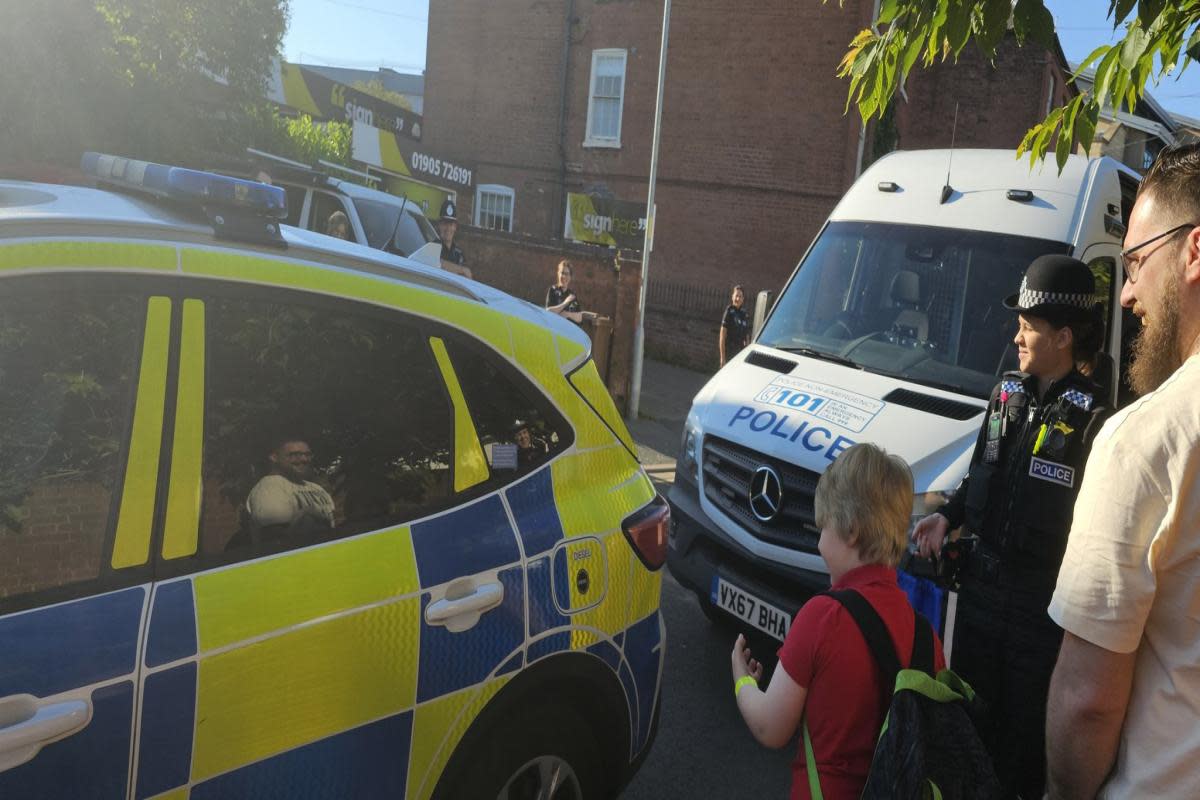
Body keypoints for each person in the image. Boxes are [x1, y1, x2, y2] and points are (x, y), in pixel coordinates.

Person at [910, 254, 1109, 800]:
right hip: (977, 597)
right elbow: (979, 477)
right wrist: (944, 518)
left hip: (1039, 615)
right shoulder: (1004, 394)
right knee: (967, 725)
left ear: (1064, 336)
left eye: (1028, 327)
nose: (1016, 336)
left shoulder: (1096, 420)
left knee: (1020, 750)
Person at [1045, 143, 1200, 799]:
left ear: (1194, 252)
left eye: (1136, 262)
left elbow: (1087, 700)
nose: (1128, 292)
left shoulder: (1148, 440)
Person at [732, 443, 945, 800]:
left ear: (851, 531)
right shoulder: (925, 634)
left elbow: (771, 727)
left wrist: (741, 680)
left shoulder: (823, 616)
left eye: (823, 528)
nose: (818, 543)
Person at [244, 437, 336, 540]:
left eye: (307, 454)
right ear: (274, 457)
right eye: (294, 455)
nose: (304, 459)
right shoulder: (269, 488)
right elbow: (276, 538)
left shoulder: (316, 488)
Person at [545, 259, 590, 324]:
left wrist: (567, 314)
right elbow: (548, 311)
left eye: (567, 274)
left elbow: (579, 317)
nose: (564, 276)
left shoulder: (572, 295)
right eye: (562, 273)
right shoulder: (553, 289)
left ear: (570, 277)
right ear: (558, 274)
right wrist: (565, 303)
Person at [437, 198, 472, 279]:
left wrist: (463, 270)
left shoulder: (459, 253)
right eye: (445, 224)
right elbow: (434, 263)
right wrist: (460, 270)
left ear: (455, 227)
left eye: (451, 224)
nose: (448, 228)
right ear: (439, 225)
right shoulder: (433, 246)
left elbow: (467, 275)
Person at [719, 285, 751, 367]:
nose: (738, 299)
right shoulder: (729, 311)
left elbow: (747, 337)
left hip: (740, 355)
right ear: (732, 297)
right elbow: (722, 336)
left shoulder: (744, 313)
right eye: (736, 296)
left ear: (743, 299)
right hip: (729, 353)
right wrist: (722, 358)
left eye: (740, 296)